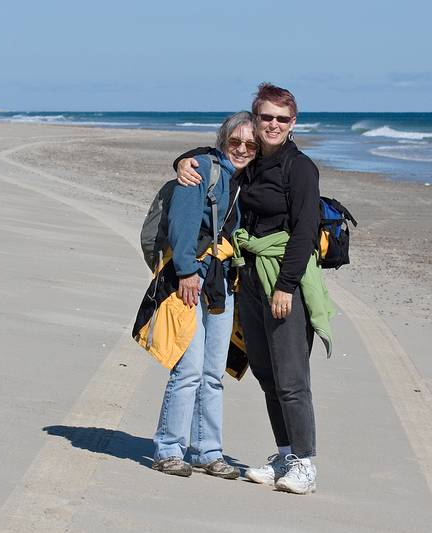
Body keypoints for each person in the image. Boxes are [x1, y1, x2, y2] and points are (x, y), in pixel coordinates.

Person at [174, 83, 333, 494]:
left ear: (294, 123)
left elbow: (304, 232)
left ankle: (306, 463)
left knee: (291, 378)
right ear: (255, 118)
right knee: (264, 373)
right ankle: (284, 454)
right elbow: (218, 158)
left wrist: (286, 286)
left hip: (284, 280)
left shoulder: (301, 169)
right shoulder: (254, 161)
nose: (274, 125)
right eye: (267, 118)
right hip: (250, 279)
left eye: (282, 119)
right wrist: (182, 162)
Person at [151, 111, 258, 478]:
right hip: (193, 278)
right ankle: (169, 448)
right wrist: (185, 272)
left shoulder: (248, 180)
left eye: (250, 144)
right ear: (222, 141)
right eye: (235, 142)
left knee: (213, 373)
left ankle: (207, 451)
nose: (242, 149)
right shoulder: (200, 172)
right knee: (189, 369)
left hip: (223, 283)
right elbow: (182, 224)